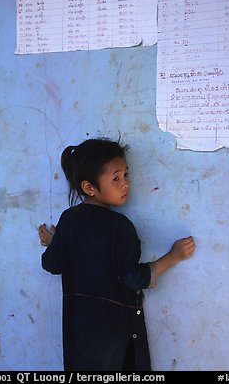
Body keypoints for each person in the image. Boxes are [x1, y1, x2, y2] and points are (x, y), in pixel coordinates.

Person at [38, 137, 195, 371]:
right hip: (116, 335)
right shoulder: (120, 227)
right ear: (89, 187)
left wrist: (56, 243)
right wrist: (173, 256)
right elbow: (133, 278)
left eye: (126, 175)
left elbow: (52, 263)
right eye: (116, 178)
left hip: (79, 330)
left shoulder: (68, 221)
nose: (125, 184)